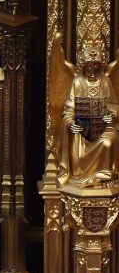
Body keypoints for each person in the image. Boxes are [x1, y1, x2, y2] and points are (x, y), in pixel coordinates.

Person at [57, 48, 119, 185]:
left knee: (108, 142)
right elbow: (69, 110)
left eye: (96, 65)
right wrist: (71, 123)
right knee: (77, 141)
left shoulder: (105, 81)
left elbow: (113, 106)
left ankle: (104, 177)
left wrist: (112, 116)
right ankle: (79, 176)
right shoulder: (77, 82)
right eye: (90, 65)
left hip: (102, 127)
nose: (92, 68)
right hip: (82, 128)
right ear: (84, 65)